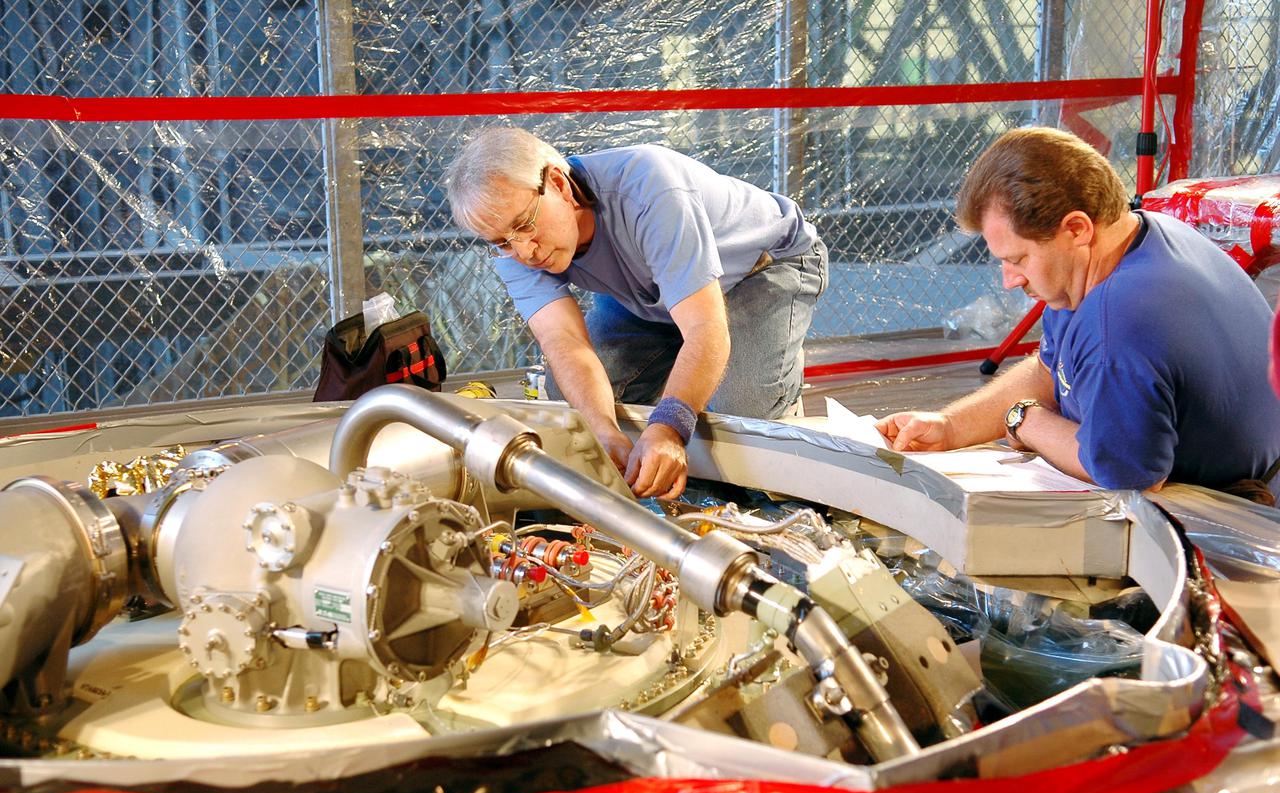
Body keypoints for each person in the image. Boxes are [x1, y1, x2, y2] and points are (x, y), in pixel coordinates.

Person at [876, 126, 1280, 503]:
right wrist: (949, 427)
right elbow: (1052, 370)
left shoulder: (1121, 320)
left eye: (1018, 259)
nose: (1009, 280)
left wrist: (1024, 420)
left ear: (1077, 229)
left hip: (1234, 503)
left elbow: (1129, 475)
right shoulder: (1135, 238)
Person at [446, 127, 827, 499]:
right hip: (653, 294)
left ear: (560, 185)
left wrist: (668, 429)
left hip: (761, 268)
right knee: (570, 395)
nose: (525, 252)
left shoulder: (649, 188)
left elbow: (705, 327)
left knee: (738, 412)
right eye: (502, 243)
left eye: (526, 225)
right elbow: (564, 342)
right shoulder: (513, 242)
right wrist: (602, 433)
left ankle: (776, 389)